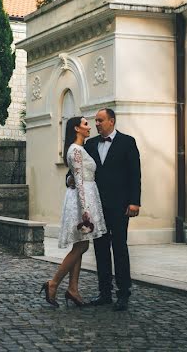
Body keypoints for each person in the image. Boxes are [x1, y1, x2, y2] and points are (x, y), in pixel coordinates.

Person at [40, 116, 106, 308]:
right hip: (81, 200)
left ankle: (73, 289)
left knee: (80, 244)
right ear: (77, 128)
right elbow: (77, 180)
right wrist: (85, 210)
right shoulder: (75, 150)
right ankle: (53, 283)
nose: (89, 127)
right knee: (82, 246)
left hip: (85, 196)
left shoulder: (79, 149)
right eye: (86, 124)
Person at [84, 108, 141, 311]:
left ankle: (123, 293)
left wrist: (135, 202)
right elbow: (79, 169)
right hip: (96, 207)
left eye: (100, 120)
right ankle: (104, 292)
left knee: (119, 248)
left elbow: (135, 174)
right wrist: (69, 179)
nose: (97, 123)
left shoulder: (127, 142)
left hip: (119, 206)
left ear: (112, 121)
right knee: (100, 249)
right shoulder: (90, 144)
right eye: (96, 121)